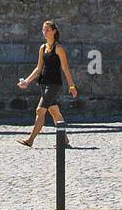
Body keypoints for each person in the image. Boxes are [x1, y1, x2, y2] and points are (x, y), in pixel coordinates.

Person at [17, 20, 78, 148]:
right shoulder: (43, 48)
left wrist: (72, 86)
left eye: (47, 30)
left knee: (40, 110)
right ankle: (65, 140)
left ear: (54, 31)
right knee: (55, 112)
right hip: (44, 84)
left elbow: (65, 68)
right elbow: (38, 68)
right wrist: (27, 81)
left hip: (54, 85)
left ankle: (30, 140)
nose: (44, 32)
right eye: (43, 30)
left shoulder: (59, 48)